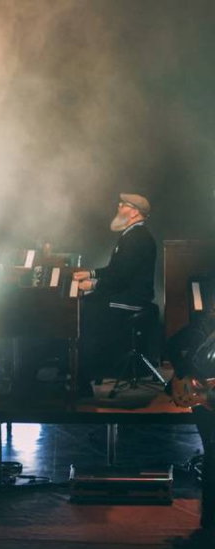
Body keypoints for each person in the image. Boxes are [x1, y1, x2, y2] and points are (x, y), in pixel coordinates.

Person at [73, 193, 157, 396]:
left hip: (135, 298)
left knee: (88, 309)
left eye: (123, 205)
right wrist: (91, 273)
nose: (118, 207)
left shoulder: (137, 238)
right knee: (88, 304)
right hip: (128, 293)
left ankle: (83, 380)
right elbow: (116, 270)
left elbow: (121, 278)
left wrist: (92, 285)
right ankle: (83, 373)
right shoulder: (132, 234)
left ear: (134, 212)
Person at [166, 312, 215, 529]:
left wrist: (204, 395)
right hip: (205, 405)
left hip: (207, 400)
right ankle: (209, 524)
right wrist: (184, 374)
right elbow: (173, 345)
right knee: (211, 458)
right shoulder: (204, 324)